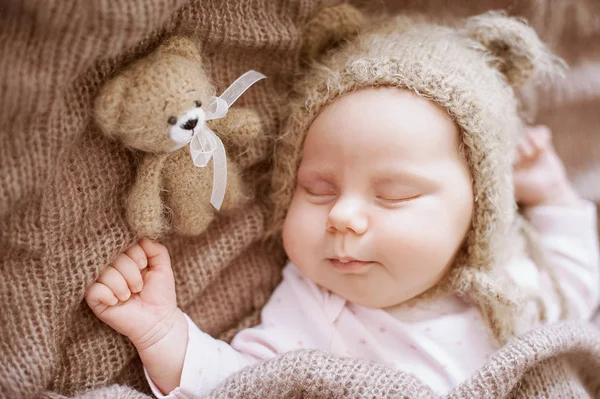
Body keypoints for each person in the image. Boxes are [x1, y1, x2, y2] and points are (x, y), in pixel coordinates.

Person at [85, 12, 599, 397]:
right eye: (317, 189)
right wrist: (163, 331)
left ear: (480, 210)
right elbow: (244, 384)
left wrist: (554, 196)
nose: (341, 216)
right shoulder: (319, 306)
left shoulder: (516, 273)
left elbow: (578, 282)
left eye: (393, 195)